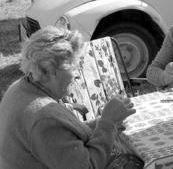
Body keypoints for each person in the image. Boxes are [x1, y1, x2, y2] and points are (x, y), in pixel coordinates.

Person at [0, 26, 138, 169]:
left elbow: (64, 136)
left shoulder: (20, 88)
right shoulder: (42, 118)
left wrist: (104, 122)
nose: (76, 75)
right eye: (73, 68)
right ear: (52, 71)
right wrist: (108, 123)